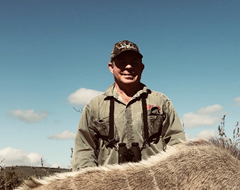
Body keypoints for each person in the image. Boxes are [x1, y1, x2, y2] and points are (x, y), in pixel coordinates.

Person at [72, 40, 185, 170]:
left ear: (142, 67)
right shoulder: (94, 106)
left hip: (154, 184)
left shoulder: (161, 102)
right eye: (122, 63)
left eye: (134, 63)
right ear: (111, 67)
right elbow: (84, 150)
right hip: (109, 185)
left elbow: (177, 143)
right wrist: (89, 184)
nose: (129, 67)